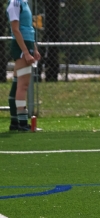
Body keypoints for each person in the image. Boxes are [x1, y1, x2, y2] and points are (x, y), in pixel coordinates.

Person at [6, 0, 41, 131]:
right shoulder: (15, 3)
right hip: (21, 46)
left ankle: (15, 122)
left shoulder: (23, 2)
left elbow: (28, 28)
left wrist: (34, 48)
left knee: (17, 84)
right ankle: (22, 123)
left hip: (27, 43)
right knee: (23, 85)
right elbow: (15, 29)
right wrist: (26, 52)